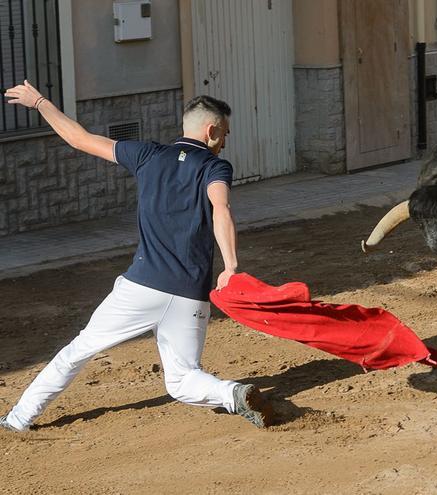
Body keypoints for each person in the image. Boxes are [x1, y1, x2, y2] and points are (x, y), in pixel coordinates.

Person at [0, 82, 275, 432]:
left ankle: (18, 419)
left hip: (140, 288)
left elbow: (79, 139)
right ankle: (232, 393)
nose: (225, 142)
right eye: (225, 134)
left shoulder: (147, 155)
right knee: (182, 379)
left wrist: (39, 102)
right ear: (212, 130)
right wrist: (231, 266)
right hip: (191, 292)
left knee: (77, 352)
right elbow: (221, 208)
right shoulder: (215, 168)